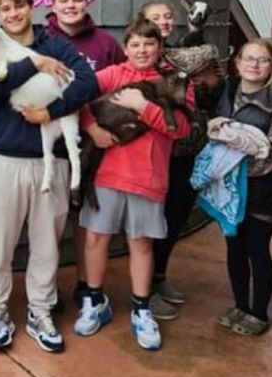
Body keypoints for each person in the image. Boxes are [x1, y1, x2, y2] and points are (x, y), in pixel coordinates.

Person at [0, 0, 98, 353]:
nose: (12, 15)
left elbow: (88, 83)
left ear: (31, 6)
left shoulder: (55, 43)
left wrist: (52, 111)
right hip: (4, 162)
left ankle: (40, 311)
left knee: (47, 246)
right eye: (4, 9)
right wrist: (34, 63)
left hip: (50, 164)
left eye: (18, 7)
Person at [76, 20, 194, 351]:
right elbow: (77, 97)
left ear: (159, 48)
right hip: (106, 173)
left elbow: (182, 128)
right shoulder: (111, 75)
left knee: (140, 243)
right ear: (125, 48)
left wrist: (143, 106)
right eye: (136, 45)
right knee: (96, 238)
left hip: (148, 175)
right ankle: (95, 301)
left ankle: (141, 309)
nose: (142, 51)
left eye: (149, 44)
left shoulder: (174, 81)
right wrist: (92, 128)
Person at [138, 0, 223, 320]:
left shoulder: (185, 52)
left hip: (187, 151)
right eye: (155, 16)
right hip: (154, 154)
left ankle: (159, 277)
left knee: (174, 218)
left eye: (167, 16)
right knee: (149, 223)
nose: (163, 21)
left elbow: (210, 91)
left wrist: (211, 83)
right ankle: (143, 289)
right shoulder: (146, 56)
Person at [45, 0, 125, 308]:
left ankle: (83, 283)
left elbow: (119, 86)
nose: (70, 6)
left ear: (86, 2)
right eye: (64, 0)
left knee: (83, 216)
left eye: (77, 0)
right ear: (52, 5)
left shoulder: (105, 43)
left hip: (92, 146)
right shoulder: (42, 41)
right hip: (50, 142)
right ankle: (46, 290)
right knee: (48, 220)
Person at [212, 40, 272, 337]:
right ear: (237, 62)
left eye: (263, 60)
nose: (254, 65)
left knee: (256, 248)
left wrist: (230, 165)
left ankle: (258, 312)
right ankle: (240, 304)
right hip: (229, 185)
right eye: (248, 58)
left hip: (263, 185)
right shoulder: (228, 89)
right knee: (234, 246)